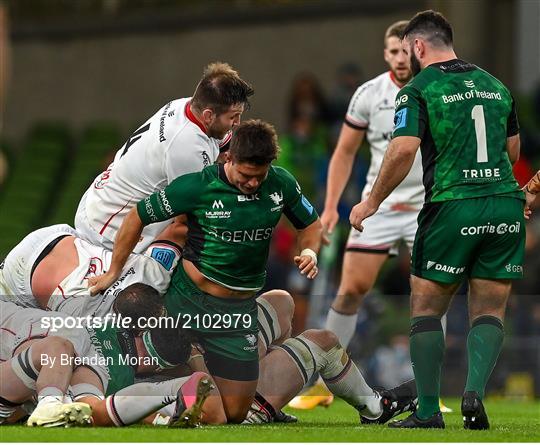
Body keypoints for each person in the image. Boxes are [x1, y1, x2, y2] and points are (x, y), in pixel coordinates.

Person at [350, 10, 525, 430]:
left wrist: (371, 202)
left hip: (452, 206)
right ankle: (474, 394)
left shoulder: (419, 89)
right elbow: (512, 153)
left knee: (426, 306)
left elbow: (403, 149)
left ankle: (428, 410)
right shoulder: (495, 85)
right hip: (503, 205)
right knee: (489, 308)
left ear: (419, 46)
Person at [86, 119, 322, 423]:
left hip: (238, 313)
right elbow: (138, 215)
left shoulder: (281, 184)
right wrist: (113, 271)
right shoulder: (197, 186)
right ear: (229, 158)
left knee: (235, 413)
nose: (252, 183)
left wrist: (309, 251)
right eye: (246, 175)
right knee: (173, 384)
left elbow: (311, 224)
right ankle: (162, 398)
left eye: (259, 176)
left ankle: (205, 375)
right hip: (187, 302)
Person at [290, 20, 421, 410]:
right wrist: (329, 207)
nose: (400, 58)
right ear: (385, 54)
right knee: (349, 291)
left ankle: (426, 389)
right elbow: (344, 152)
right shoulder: (369, 94)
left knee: (429, 295)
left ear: (418, 51)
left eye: (406, 51)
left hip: (427, 205)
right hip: (376, 207)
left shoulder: (434, 89)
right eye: (393, 51)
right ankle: (321, 382)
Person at [75, 62, 253, 253]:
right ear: (209, 116)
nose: (237, 123)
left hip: (101, 198)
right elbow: (193, 215)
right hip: (107, 227)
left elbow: (227, 146)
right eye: (233, 116)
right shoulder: (186, 148)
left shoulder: (187, 105)